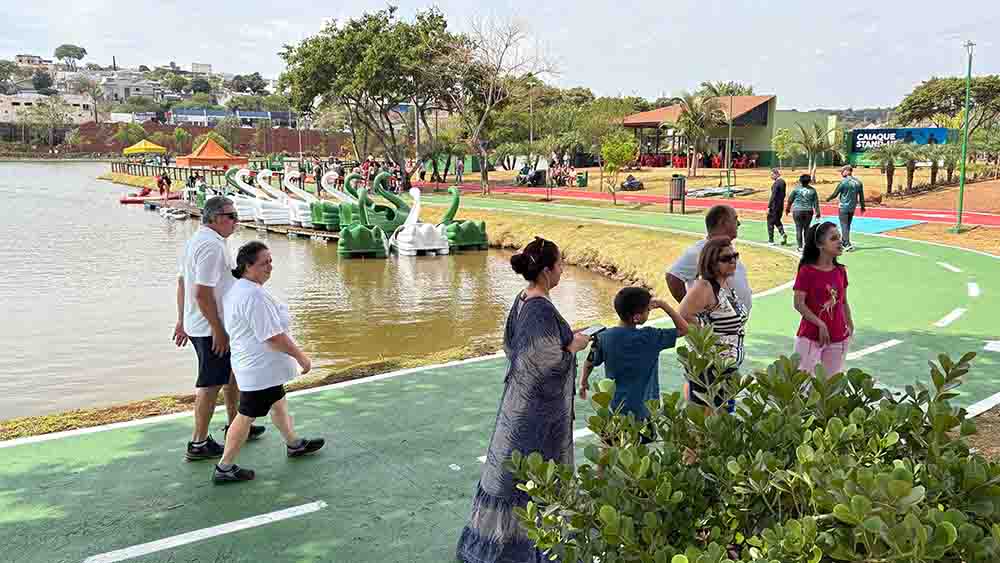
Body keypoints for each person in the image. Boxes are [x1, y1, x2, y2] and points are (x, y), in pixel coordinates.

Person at [457, 237, 591, 563]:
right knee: (531, 474)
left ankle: (501, 545)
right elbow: (544, 362)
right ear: (546, 271)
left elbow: (513, 348)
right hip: (537, 412)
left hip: (517, 402)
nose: (562, 271)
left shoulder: (522, 299)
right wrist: (573, 346)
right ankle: (527, 550)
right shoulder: (541, 308)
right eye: (559, 265)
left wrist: (566, 340)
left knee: (509, 473)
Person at [214, 241, 325, 483]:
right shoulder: (252, 295)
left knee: (278, 403)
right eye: (264, 263)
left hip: (259, 368)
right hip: (259, 371)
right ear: (247, 266)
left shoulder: (242, 288)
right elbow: (273, 337)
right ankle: (224, 467)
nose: (270, 267)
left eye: (271, 261)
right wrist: (301, 357)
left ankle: (293, 444)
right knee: (245, 416)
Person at [173, 196, 265, 462]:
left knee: (231, 376)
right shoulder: (210, 247)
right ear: (214, 218)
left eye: (236, 215)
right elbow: (201, 293)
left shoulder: (200, 241)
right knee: (210, 384)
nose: (236, 221)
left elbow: (182, 282)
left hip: (203, 323)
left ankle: (236, 424)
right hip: (209, 327)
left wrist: (181, 320)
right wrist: (218, 330)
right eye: (231, 216)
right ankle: (198, 443)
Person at [578, 287, 688, 433]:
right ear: (636, 317)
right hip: (643, 411)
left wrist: (583, 382)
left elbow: (589, 362)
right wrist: (664, 305)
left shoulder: (604, 337)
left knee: (610, 447)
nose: (649, 312)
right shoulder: (651, 337)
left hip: (615, 409)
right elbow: (684, 329)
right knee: (639, 453)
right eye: (647, 310)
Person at [677, 237, 749, 411]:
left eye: (735, 256)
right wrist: (707, 341)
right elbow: (684, 314)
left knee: (723, 423)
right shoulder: (705, 287)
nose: (733, 261)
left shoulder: (725, 284)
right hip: (711, 370)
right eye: (726, 258)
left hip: (727, 369)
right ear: (711, 262)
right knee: (708, 427)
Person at [792, 222, 854, 377]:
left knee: (830, 387)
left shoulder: (841, 271)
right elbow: (798, 304)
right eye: (833, 238)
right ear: (820, 245)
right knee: (801, 382)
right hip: (810, 336)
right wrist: (820, 324)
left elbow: (843, 301)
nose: (840, 241)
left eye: (839, 237)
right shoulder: (807, 271)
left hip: (838, 337)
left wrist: (850, 325)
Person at [666, 205, 752, 312]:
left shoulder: (727, 248)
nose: (738, 223)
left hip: (733, 324)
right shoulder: (700, 250)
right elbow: (673, 277)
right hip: (716, 326)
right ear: (722, 222)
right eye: (735, 219)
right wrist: (695, 311)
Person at [826, 165, 866, 252]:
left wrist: (828, 199)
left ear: (847, 171)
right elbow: (861, 196)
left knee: (844, 225)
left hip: (843, 207)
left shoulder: (843, 182)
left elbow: (835, 194)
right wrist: (862, 206)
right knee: (847, 225)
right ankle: (845, 241)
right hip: (852, 207)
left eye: (842, 171)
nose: (841, 173)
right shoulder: (858, 182)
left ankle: (847, 244)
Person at [785, 174, 822, 252]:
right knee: (806, 229)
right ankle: (807, 246)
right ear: (809, 181)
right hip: (808, 211)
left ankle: (800, 247)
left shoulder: (796, 189)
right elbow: (816, 203)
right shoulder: (812, 190)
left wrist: (787, 209)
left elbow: (790, 200)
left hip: (797, 210)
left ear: (800, 181)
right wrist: (818, 212)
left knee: (798, 229)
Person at [767, 168, 788, 246]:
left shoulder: (777, 183)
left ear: (776, 174)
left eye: (772, 175)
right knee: (776, 220)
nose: (771, 176)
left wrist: (769, 207)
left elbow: (773, 195)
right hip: (780, 206)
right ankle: (782, 233)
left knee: (770, 222)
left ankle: (771, 240)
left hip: (774, 206)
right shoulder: (783, 182)